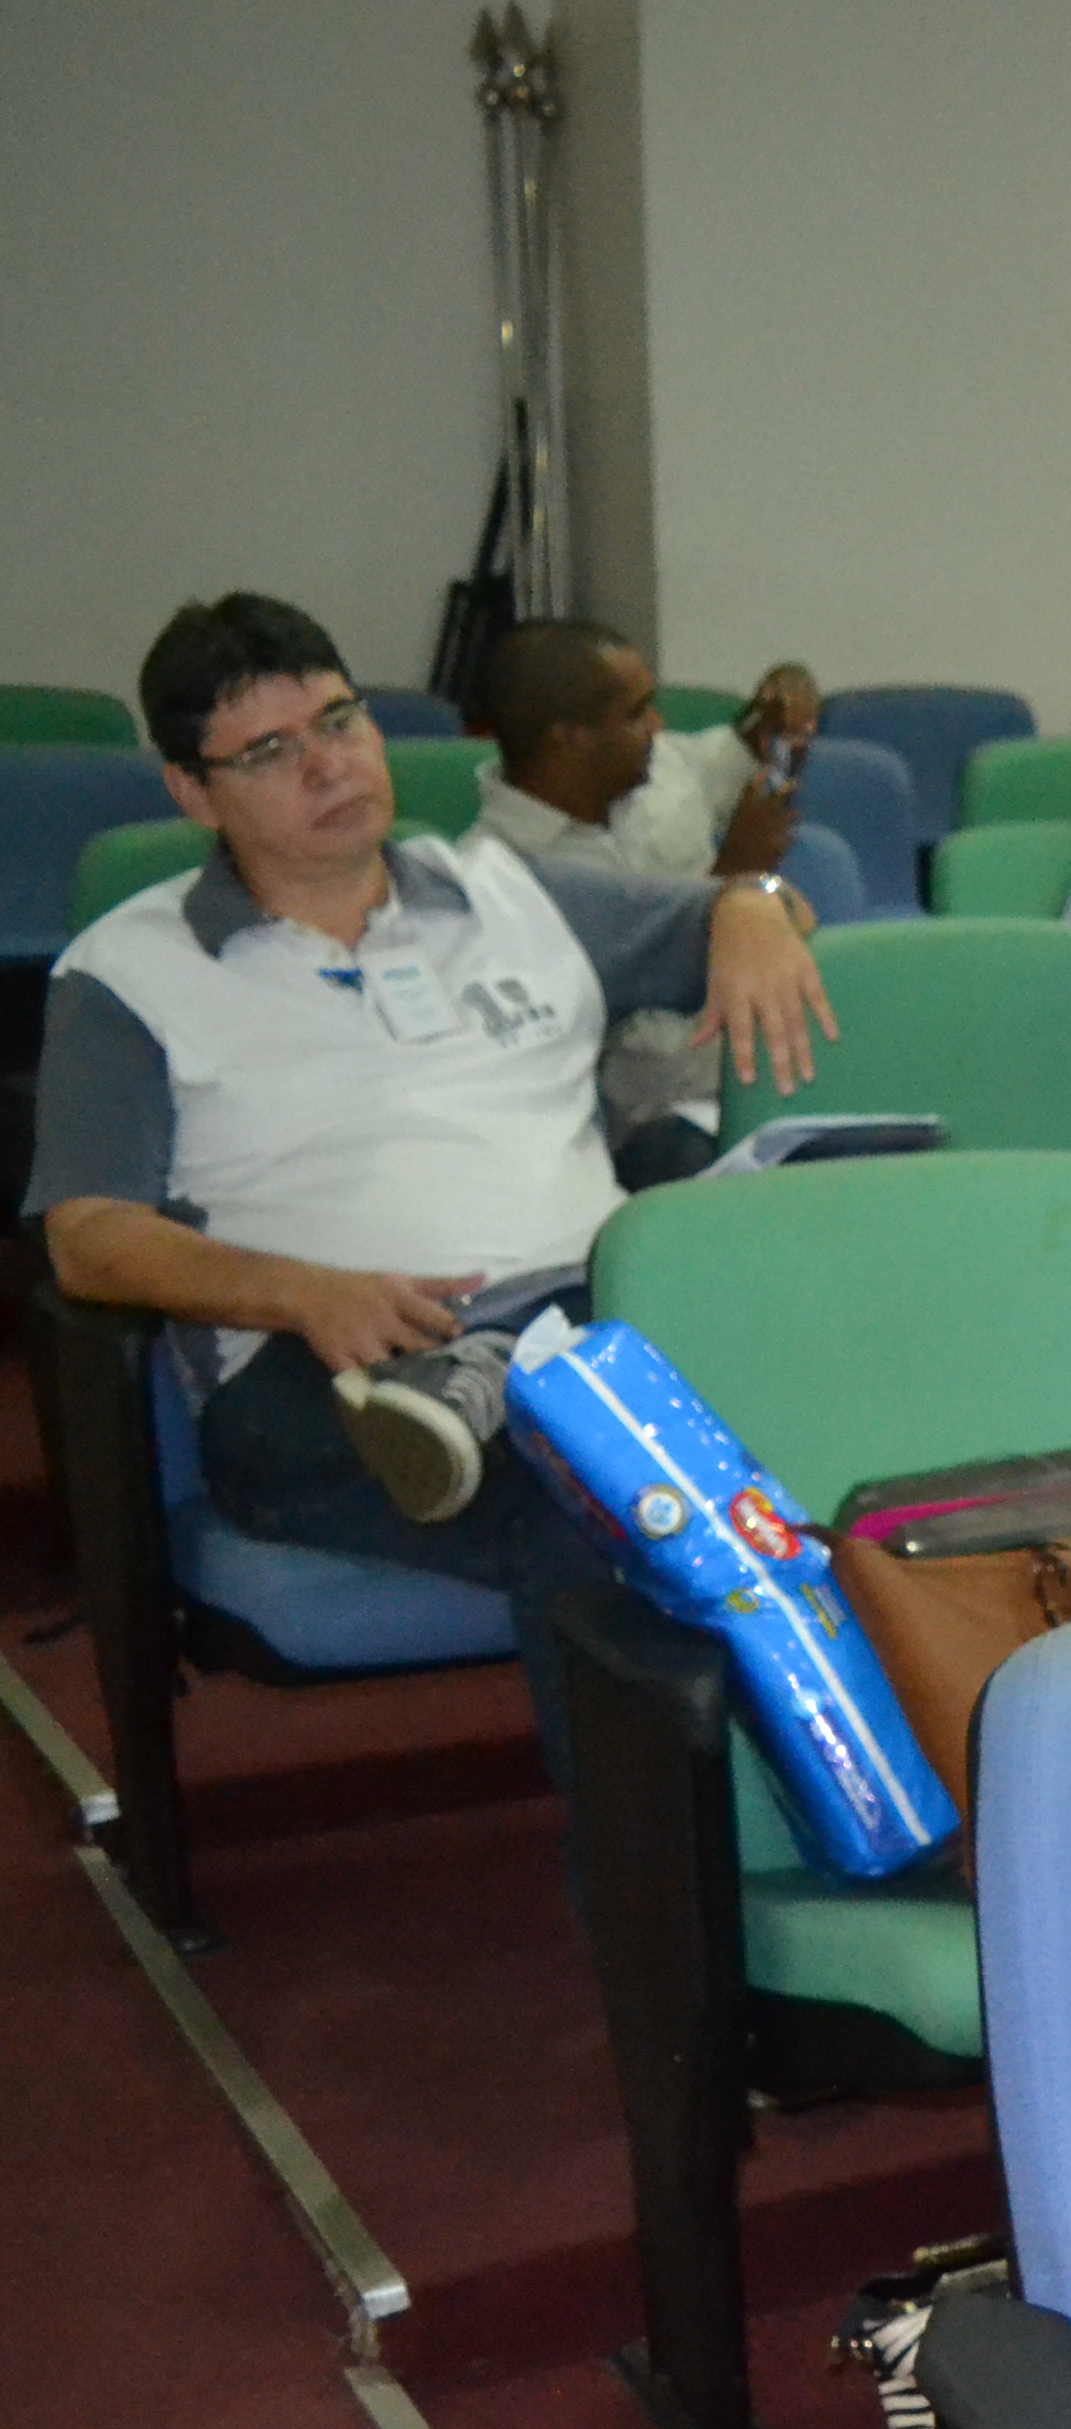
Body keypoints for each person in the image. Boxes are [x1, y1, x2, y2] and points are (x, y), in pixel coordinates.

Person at [29, 593, 835, 1802]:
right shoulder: (126, 973)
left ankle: (848, 1805)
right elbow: (86, 1239)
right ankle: (683, 1953)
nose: (330, 766)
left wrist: (757, 911)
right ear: (193, 793)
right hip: (325, 1372)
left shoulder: (513, 893)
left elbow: (749, 902)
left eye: (340, 721)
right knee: (603, 1500)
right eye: (270, 752)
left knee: (742, 1417)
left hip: (587, 1321)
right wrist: (298, 1293)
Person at [472, 617, 801, 1184]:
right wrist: (736, 875)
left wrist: (787, 688)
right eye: (635, 713)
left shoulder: (662, 772)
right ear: (568, 737)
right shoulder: (498, 878)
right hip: (652, 1129)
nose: (657, 726)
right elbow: (641, 1064)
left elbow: (755, 738)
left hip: (762, 1084)